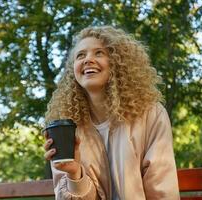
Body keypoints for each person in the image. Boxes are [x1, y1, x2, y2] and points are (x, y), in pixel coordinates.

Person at [43, 26, 179, 199]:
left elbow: (162, 188)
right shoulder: (67, 127)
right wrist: (74, 174)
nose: (88, 60)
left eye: (99, 53)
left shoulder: (150, 114)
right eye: (81, 55)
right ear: (72, 71)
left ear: (117, 62)